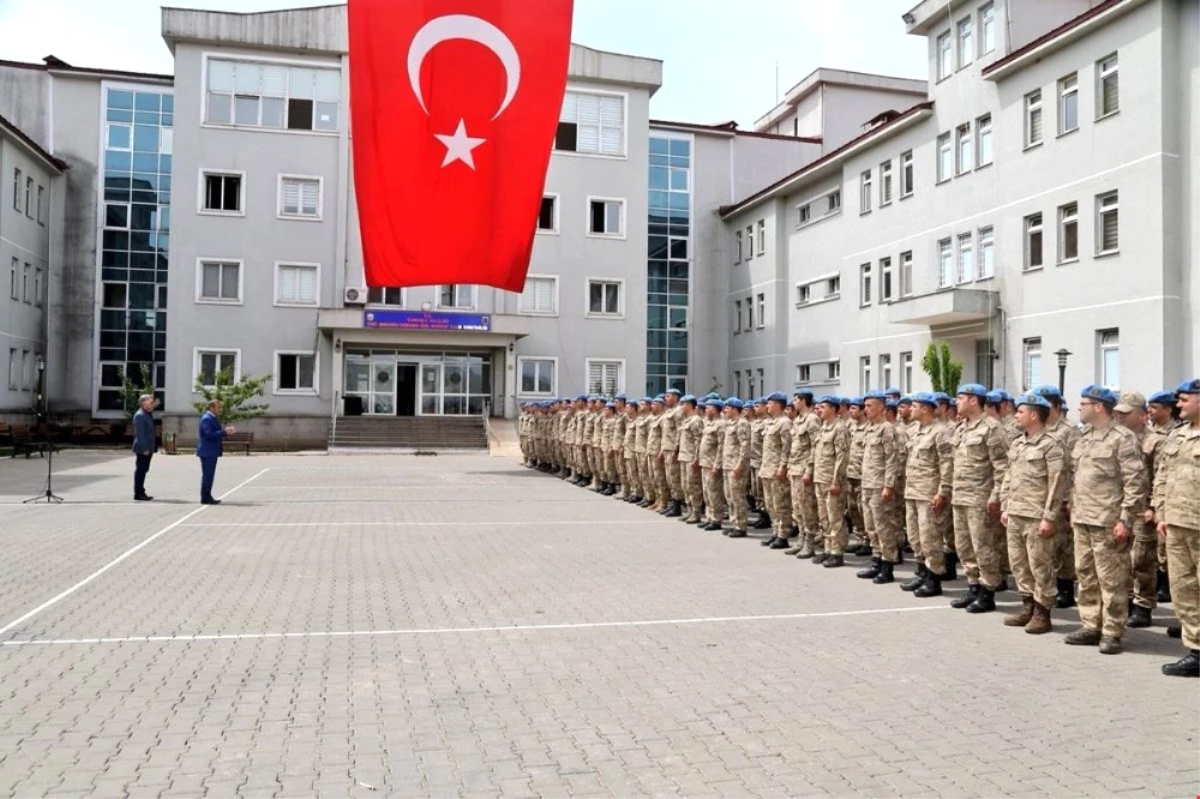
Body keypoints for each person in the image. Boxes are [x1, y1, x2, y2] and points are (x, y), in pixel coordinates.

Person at [1065, 385, 1145, 654]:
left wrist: (1126, 520)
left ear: (1098, 406)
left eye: (1084, 403)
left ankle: (1112, 631)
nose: (1079, 408)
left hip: (1108, 521)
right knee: (1086, 575)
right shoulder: (1084, 437)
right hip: (1084, 519)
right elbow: (1077, 479)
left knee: (1111, 580)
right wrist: (1073, 509)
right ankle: (1091, 625)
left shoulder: (1123, 438)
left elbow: (1135, 482)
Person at [998, 393, 1067, 634]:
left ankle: (1042, 612)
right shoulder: (1018, 443)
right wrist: (1005, 505)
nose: (1016, 415)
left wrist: (1049, 516)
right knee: (1019, 564)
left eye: (1020, 411)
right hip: (1016, 513)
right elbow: (1009, 476)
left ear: (1034, 415)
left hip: (1037, 516)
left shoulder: (1051, 445)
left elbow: (1057, 484)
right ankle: (1027, 605)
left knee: (1040, 565)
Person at [949, 384, 1009, 613]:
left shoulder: (992, 428)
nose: (957, 402)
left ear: (974, 400)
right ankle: (973, 586)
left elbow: (1002, 467)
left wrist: (996, 496)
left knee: (983, 547)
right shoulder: (962, 428)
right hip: (960, 496)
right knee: (964, 547)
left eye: (961, 397)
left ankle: (987, 592)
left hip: (980, 498)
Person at [1154, 378, 1200, 676]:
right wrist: (1161, 512)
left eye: (1184, 399)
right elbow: (1162, 476)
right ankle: (1197, 649)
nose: (1178, 405)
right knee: (1184, 589)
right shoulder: (1177, 436)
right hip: (1176, 523)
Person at [903, 393, 953, 597]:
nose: (910, 409)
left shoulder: (940, 432)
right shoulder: (916, 432)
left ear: (924, 409)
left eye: (913, 406)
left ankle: (934, 579)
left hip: (928, 493)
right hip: (913, 491)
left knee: (930, 538)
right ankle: (922, 572)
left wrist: (943, 491)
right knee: (915, 537)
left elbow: (947, 463)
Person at [812, 396, 850, 567]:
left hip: (831, 480)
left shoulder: (840, 428)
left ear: (833, 409)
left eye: (823, 407)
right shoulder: (823, 427)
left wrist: (837, 481)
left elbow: (842, 458)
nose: (819, 410)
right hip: (820, 478)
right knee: (824, 517)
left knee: (835, 517)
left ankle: (837, 552)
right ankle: (827, 549)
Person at [197, 400, 234, 505]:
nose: (220, 409)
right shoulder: (207, 419)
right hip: (208, 451)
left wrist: (224, 432)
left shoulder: (211, 418)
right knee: (208, 475)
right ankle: (206, 497)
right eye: (218, 407)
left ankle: (206, 496)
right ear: (211, 408)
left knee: (209, 475)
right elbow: (209, 434)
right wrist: (224, 432)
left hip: (210, 451)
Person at [132, 394, 156, 501]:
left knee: (144, 470)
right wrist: (145, 448)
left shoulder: (147, 414)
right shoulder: (140, 415)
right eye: (150, 402)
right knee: (141, 470)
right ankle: (138, 493)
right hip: (143, 449)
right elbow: (140, 434)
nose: (152, 404)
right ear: (143, 403)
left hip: (148, 448)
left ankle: (141, 491)